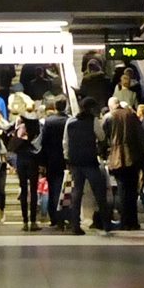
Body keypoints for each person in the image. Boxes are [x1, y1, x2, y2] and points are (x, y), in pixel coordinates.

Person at [63, 96, 112, 235]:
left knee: (77, 193)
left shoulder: (70, 121)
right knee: (99, 192)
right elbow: (102, 137)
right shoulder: (93, 121)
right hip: (90, 161)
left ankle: (75, 225)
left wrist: (68, 158)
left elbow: (65, 142)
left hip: (75, 162)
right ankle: (106, 224)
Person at [106, 97, 144, 230]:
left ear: (112, 106)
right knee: (132, 190)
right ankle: (133, 222)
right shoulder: (132, 115)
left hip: (117, 157)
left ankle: (124, 222)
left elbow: (104, 137)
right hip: (133, 157)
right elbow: (141, 135)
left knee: (121, 190)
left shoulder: (109, 117)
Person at [12, 104, 43, 230]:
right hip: (33, 161)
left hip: (21, 161)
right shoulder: (37, 129)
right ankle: (33, 221)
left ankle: (25, 221)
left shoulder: (20, 128)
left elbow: (14, 145)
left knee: (24, 190)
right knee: (34, 191)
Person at [40, 96, 70, 229]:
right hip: (66, 159)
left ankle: (54, 218)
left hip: (51, 160)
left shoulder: (49, 121)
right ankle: (66, 216)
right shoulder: (69, 120)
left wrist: (43, 161)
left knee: (53, 189)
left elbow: (44, 141)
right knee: (67, 188)